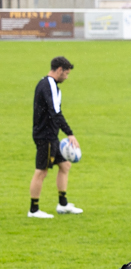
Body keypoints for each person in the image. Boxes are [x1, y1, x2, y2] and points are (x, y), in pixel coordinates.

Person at [30, 55, 83, 218]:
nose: (66, 77)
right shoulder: (49, 85)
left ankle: (63, 204)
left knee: (65, 165)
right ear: (59, 70)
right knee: (41, 171)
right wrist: (69, 133)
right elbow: (55, 112)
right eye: (66, 73)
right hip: (45, 136)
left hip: (50, 135)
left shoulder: (46, 84)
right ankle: (34, 209)